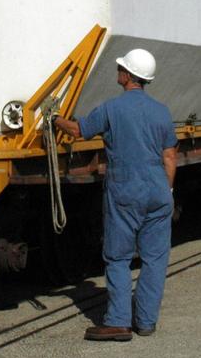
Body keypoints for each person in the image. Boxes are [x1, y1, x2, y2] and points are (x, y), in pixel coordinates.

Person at [53, 48, 177, 342]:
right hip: (160, 189)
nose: (117, 71)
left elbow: (78, 130)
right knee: (155, 259)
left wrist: (53, 117)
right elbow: (170, 156)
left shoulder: (112, 108)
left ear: (127, 76)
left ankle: (118, 322)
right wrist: (168, 190)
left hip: (126, 189)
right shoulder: (162, 111)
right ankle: (146, 322)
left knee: (118, 257)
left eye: (120, 67)